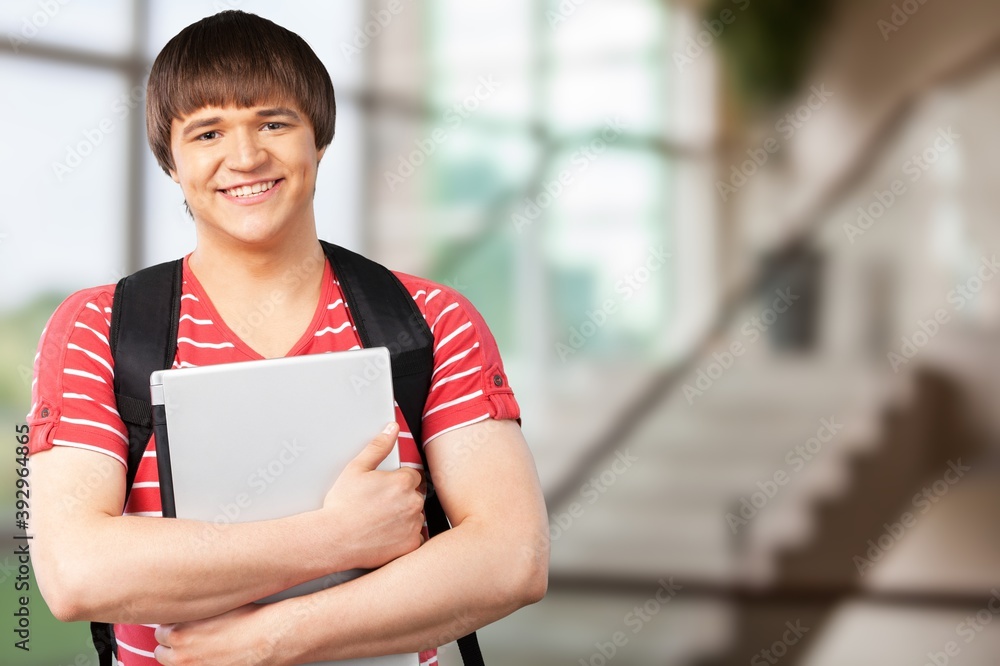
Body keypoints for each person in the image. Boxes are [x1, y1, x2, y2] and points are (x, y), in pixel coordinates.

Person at [26, 10, 548, 666]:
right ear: (171, 158)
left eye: (273, 122)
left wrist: (271, 639)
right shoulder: (100, 328)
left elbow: (513, 558)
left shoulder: (430, 320)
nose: (245, 157)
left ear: (319, 140)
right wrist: (333, 538)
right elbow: (75, 574)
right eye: (207, 131)